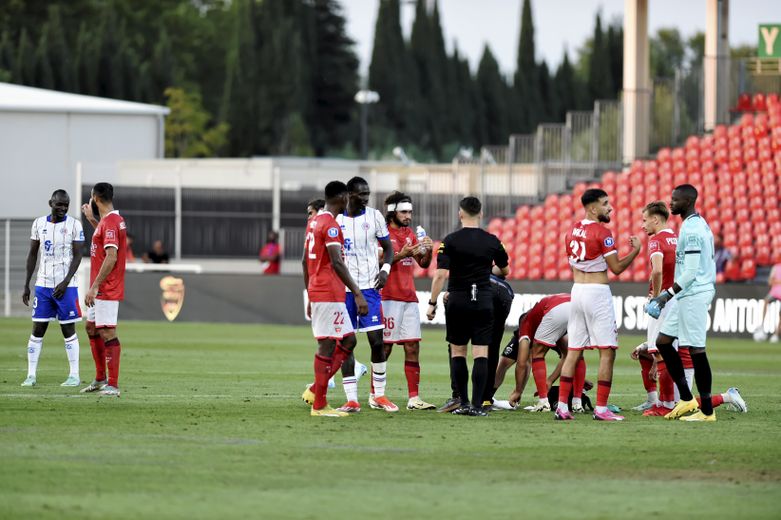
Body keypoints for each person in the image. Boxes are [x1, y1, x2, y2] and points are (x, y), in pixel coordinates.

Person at [555, 188, 641, 421]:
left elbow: (574, 263)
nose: (609, 208)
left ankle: (562, 407)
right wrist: (636, 250)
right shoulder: (603, 232)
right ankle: (601, 409)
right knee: (607, 352)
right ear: (592, 208)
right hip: (597, 293)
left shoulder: (572, 230)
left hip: (578, 291)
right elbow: (617, 268)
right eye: (605, 204)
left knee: (573, 351)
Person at [427, 196, 510, 416]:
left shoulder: (450, 240)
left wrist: (432, 303)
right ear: (481, 214)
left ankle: (462, 403)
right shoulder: (492, 240)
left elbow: (441, 275)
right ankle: (476, 405)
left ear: (460, 214)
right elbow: (505, 271)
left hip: (458, 300)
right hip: (483, 300)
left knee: (458, 352)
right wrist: (484, 272)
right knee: (481, 352)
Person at [645, 184, 719, 421]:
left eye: (675, 200)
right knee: (663, 342)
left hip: (695, 293)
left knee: (697, 351)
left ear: (687, 202)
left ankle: (707, 411)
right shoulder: (691, 224)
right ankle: (687, 399)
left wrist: (665, 295)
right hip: (686, 294)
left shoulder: (693, 230)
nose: (670, 203)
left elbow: (691, 272)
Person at [300, 181, 368, 417]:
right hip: (328, 292)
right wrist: (358, 293)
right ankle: (319, 404)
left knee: (348, 340)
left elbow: (303, 262)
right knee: (328, 344)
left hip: (324, 292)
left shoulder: (314, 222)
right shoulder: (329, 225)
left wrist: (309, 292)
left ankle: (316, 390)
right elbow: (337, 262)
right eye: (347, 196)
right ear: (341, 197)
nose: (349, 199)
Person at [335, 176, 397, 413]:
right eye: (361, 194)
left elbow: (388, 247)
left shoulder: (374, 216)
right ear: (349, 194)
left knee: (377, 341)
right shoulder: (336, 219)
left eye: (367, 194)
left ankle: (378, 396)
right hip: (344, 291)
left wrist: (386, 269)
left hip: (370, 289)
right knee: (346, 344)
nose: (365, 198)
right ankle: (351, 399)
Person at [20, 189, 84, 387]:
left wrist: (65, 282)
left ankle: (74, 375)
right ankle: (31, 376)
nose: (63, 208)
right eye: (59, 204)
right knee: (38, 328)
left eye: (66, 205)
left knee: (68, 329)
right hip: (43, 285)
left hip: (67, 286)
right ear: (51, 203)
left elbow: (78, 256)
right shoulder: (39, 223)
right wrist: (27, 284)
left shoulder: (74, 225)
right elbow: (32, 255)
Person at [380, 191, 436, 410]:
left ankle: (414, 398)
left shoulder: (409, 233)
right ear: (392, 212)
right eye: (404, 212)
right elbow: (376, 261)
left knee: (412, 347)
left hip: (409, 297)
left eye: (410, 212)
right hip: (388, 297)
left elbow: (422, 263)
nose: (408, 216)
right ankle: (377, 394)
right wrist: (401, 255)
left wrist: (429, 252)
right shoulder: (382, 233)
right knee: (385, 348)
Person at [631, 201, 679, 415]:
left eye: (645, 220)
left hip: (665, 302)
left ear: (656, 219)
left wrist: (656, 298)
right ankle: (667, 401)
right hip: (678, 299)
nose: (642, 225)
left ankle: (665, 404)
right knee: (668, 351)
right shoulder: (677, 239)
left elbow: (658, 270)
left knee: (660, 353)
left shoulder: (657, 241)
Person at [79, 182, 127, 397]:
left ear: (95, 198)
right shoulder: (111, 220)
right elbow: (104, 237)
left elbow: (111, 255)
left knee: (107, 331)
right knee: (92, 328)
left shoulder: (110, 222)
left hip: (106, 288)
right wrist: (91, 219)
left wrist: (95, 286)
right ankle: (100, 378)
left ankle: (113, 385)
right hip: (102, 288)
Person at [506, 294, 575, 411]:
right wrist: (550, 380)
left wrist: (518, 391)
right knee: (574, 353)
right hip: (577, 304)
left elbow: (522, 362)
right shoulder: (542, 320)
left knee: (537, 354)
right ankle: (577, 402)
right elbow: (567, 356)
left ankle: (543, 401)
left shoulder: (525, 323)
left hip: (557, 310)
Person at [753, 262, 781, 343]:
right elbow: (770, 281)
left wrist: (776, 281)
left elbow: (773, 280)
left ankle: (776, 334)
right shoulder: (776, 267)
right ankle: (761, 325)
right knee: (765, 301)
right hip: (774, 291)